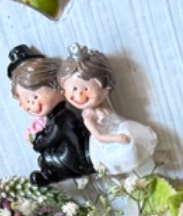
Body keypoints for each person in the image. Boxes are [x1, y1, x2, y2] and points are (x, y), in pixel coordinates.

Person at [57, 45, 155, 176]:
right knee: (126, 165)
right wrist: (117, 138)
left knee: (138, 154)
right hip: (109, 144)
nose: (79, 94)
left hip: (122, 130)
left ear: (106, 87)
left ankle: (143, 176)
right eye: (74, 89)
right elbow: (99, 136)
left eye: (85, 89)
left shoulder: (104, 103)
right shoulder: (89, 115)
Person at [8, 44, 91, 184]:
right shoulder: (54, 117)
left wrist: (39, 143)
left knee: (51, 159)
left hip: (76, 159)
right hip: (68, 152)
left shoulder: (63, 117)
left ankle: (49, 176)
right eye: (25, 101)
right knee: (45, 159)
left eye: (35, 97)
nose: (32, 104)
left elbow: (51, 137)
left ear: (58, 85)